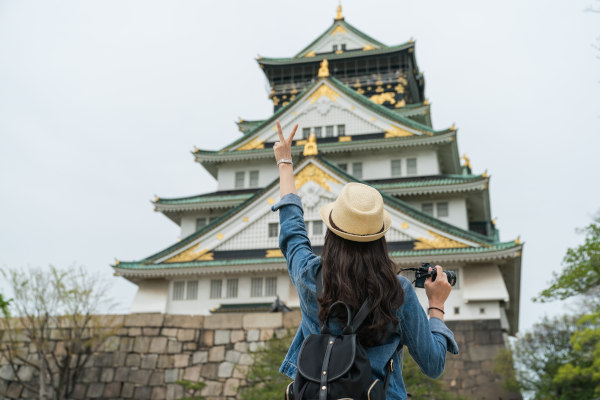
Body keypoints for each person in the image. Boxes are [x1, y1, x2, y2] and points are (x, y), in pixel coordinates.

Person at [271, 121, 459, 399]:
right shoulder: (396, 291)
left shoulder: (310, 276)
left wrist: (285, 162)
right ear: (380, 239)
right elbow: (433, 364)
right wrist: (437, 305)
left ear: (332, 233)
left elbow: (292, 233)